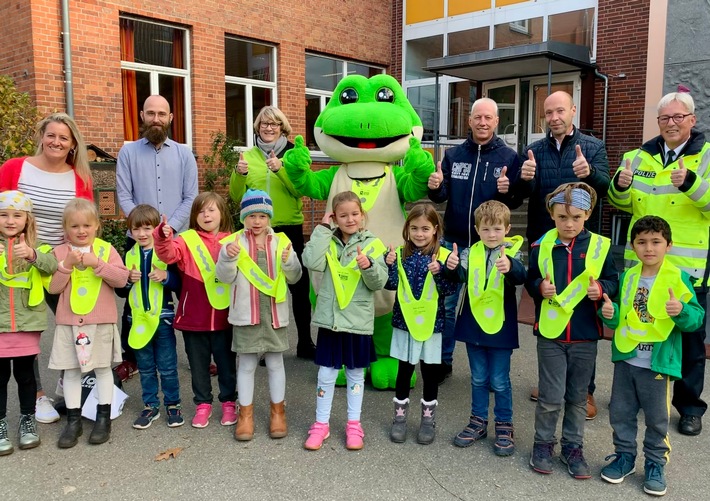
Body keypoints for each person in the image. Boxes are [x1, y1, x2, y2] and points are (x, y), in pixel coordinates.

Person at [608, 91, 709, 437]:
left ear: (692, 120)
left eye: (678, 117)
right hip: (643, 267)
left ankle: (690, 407)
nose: (671, 123)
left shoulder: (707, 156)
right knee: (639, 329)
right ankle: (641, 398)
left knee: (690, 343)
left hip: (687, 270)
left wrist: (692, 185)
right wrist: (619, 186)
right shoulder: (637, 157)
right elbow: (620, 202)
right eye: (665, 118)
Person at [521, 90, 610, 419]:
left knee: (583, 316)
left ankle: (585, 392)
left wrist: (590, 174)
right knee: (549, 311)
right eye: (548, 112)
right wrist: (524, 179)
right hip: (546, 246)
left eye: (560, 110)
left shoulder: (593, 147)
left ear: (573, 110)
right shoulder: (534, 150)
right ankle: (550, 384)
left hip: (583, 249)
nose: (554, 117)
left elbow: (607, 188)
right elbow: (522, 194)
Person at [599, 216, 703, 496]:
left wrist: (680, 309)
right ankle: (624, 458)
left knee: (657, 419)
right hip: (627, 360)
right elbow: (620, 315)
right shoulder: (628, 276)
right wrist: (609, 314)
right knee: (621, 413)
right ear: (632, 246)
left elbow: (696, 319)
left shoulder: (677, 278)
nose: (649, 248)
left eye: (656, 241)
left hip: (657, 363)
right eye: (641, 242)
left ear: (668, 245)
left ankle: (656, 464)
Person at [0, 112, 93, 424]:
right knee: (26, 327)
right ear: (41, 136)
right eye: (51, 135)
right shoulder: (15, 168)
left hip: (60, 261)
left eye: (64, 138)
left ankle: (73, 382)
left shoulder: (79, 177)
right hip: (21, 260)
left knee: (72, 321)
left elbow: (87, 221)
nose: (56, 142)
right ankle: (37, 397)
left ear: (72, 145)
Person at [428, 97, 526, 382]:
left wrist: (509, 191)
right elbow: (441, 195)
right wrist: (435, 187)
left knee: (489, 302)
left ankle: (489, 369)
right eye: (477, 117)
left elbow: (516, 201)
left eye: (489, 118)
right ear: (469, 120)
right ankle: (442, 361)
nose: (483, 122)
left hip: (491, 244)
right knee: (446, 304)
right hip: (454, 242)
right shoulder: (454, 154)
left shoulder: (508, 157)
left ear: (496, 122)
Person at [525, 183, 618, 479]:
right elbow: (530, 279)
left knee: (578, 397)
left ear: (588, 214)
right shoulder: (541, 246)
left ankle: (573, 447)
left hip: (585, 333)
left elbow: (614, 280)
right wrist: (539, 287)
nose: (569, 223)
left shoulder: (600, 247)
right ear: (551, 214)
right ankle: (542, 445)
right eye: (563, 217)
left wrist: (601, 288)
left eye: (576, 217)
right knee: (550, 397)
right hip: (551, 334)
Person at [116, 94, 199, 380]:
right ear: (142, 115)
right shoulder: (127, 153)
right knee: (133, 296)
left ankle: (196, 353)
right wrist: (147, 229)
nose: (156, 119)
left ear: (170, 118)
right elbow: (124, 196)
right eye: (150, 113)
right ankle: (130, 358)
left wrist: (170, 229)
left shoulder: (184, 154)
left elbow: (191, 197)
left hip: (178, 240)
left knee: (187, 295)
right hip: (138, 237)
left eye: (161, 114)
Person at [301, 191, 387, 451]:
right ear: (335, 218)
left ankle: (353, 424)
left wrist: (368, 265)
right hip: (330, 320)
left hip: (357, 321)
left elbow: (379, 282)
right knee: (326, 373)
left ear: (362, 215)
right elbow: (310, 261)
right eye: (342, 215)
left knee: (355, 373)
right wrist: (323, 228)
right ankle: (321, 424)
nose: (350, 219)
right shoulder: (327, 239)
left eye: (354, 214)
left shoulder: (373, 244)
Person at [216, 189, 303, 441]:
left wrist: (289, 262)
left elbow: (295, 276)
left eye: (262, 216)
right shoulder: (233, 243)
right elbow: (224, 277)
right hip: (246, 314)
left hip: (274, 313)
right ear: (244, 217)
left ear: (269, 218)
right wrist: (226, 258)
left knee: (276, 363)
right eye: (251, 215)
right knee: (247, 364)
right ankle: (246, 415)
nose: (257, 221)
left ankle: (278, 412)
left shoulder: (282, 242)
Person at [229, 106, 315, 359]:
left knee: (298, 286)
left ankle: (305, 343)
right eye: (264, 124)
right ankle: (265, 346)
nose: (268, 128)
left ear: (282, 128)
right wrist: (238, 174)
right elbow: (236, 196)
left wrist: (280, 170)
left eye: (274, 124)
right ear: (257, 128)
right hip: (258, 230)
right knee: (262, 288)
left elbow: (301, 191)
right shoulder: (249, 156)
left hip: (289, 228)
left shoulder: (294, 155)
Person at [48, 199, 129, 448]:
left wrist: (99, 265)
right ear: (65, 229)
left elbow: (121, 279)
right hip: (69, 323)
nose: (81, 230)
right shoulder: (59, 253)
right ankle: (74, 421)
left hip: (100, 322)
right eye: (74, 226)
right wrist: (66, 267)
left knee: (103, 368)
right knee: (71, 371)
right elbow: (53, 288)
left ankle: (103, 418)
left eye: (86, 225)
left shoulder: (105, 250)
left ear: (96, 226)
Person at [153, 192, 237, 429]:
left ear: (222, 213)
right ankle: (203, 404)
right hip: (193, 318)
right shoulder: (186, 240)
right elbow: (168, 254)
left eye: (212, 210)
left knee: (227, 364)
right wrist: (162, 236)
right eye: (201, 211)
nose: (206, 215)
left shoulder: (232, 240)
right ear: (193, 216)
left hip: (226, 318)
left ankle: (229, 402)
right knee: (198, 366)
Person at [451, 200, 526, 456]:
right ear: (477, 229)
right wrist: (451, 268)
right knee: (479, 378)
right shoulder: (469, 252)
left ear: (507, 228)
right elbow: (460, 277)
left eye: (497, 229)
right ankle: (478, 422)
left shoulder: (513, 251)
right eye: (485, 229)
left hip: (501, 326)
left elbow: (521, 276)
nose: (491, 234)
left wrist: (511, 268)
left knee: (500, 380)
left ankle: (504, 425)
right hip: (473, 324)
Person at [384, 203, 458, 445]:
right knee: (404, 371)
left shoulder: (443, 255)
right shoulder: (402, 254)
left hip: (431, 326)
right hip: (404, 323)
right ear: (407, 229)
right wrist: (390, 265)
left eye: (425, 228)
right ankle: (400, 419)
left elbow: (449, 290)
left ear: (435, 229)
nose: (419, 233)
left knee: (430, 373)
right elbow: (392, 285)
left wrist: (442, 272)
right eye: (414, 228)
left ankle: (427, 420)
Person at [0, 191, 58, 455]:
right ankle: (0, 424)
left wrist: (32, 254)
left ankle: (27, 421)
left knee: (25, 376)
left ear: (27, 219)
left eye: (17, 215)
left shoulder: (39, 245)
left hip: (27, 324)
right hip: (0, 324)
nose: (10, 220)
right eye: (3, 215)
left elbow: (52, 265)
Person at [117, 205, 183, 429]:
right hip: (137, 321)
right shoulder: (129, 254)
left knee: (167, 366)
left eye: (147, 228)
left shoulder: (166, 252)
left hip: (162, 318)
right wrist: (127, 279)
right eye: (137, 229)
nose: (142, 234)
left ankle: (173, 405)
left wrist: (166, 276)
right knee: (145, 366)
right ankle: (150, 405)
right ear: (130, 231)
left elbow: (179, 284)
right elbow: (120, 290)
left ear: (156, 229)